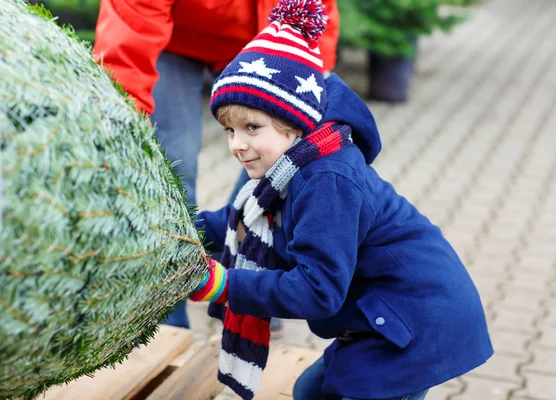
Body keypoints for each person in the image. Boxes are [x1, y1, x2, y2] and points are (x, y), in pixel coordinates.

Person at [186, 0, 493, 399]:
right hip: (381, 314)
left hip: (417, 321)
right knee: (309, 392)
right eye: (229, 130)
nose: (237, 144)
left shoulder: (327, 182)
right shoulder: (290, 168)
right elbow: (236, 220)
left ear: (294, 121)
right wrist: (180, 233)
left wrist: (224, 284)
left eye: (252, 127)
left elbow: (317, 290)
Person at [92, 0, 339, 330]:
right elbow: (130, 32)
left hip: (267, 35)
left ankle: (248, 289)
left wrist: (310, 83)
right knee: (171, 164)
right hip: (173, 38)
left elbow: (313, 11)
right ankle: (165, 317)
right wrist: (120, 121)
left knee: (279, 162)